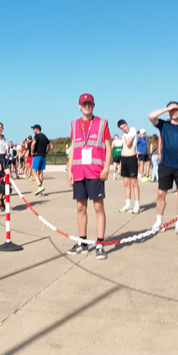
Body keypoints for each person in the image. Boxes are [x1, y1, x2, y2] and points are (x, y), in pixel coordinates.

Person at [66, 93, 112, 259]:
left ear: (93, 105)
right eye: (84, 104)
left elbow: (108, 147)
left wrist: (107, 168)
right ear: (79, 106)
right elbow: (73, 148)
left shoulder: (102, 123)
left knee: (98, 207)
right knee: (80, 207)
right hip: (79, 172)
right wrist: (69, 170)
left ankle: (100, 243)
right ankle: (83, 241)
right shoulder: (74, 124)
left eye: (89, 104)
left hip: (96, 172)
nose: (87, 106)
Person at [147, 102, 178, 234]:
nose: (174, 111)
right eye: (172, 109)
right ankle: (159, 221)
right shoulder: (164, 125)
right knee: (161, 194)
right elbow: (150, 116)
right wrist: (166, 109)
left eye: (176, 109)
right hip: (166, 164)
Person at [116, 120, 140, 213]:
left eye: (124, 126)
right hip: (124, 158)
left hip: (131, 158)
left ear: (127, 124)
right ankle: (128, 204)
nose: (124, 129)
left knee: (134, 182)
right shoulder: (123, 135)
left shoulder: (132, 130)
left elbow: (128, 143)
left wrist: (125, 138)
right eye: (122, 128)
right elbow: (123, 146)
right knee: (126, 183)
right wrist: (121, 162)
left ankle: (137, 204)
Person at [29, 124, 50, 195]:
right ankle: (40, 189)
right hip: (43, 155)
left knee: (33, 171)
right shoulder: (44, 136)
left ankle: (39, 186)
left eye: (33, 129)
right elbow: (51, 145)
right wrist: (47, 152)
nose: (33, 131)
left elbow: (33, 144)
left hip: (37, 155)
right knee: (40, 172)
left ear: (37, 129)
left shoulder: (37, 136)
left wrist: (32, 152)